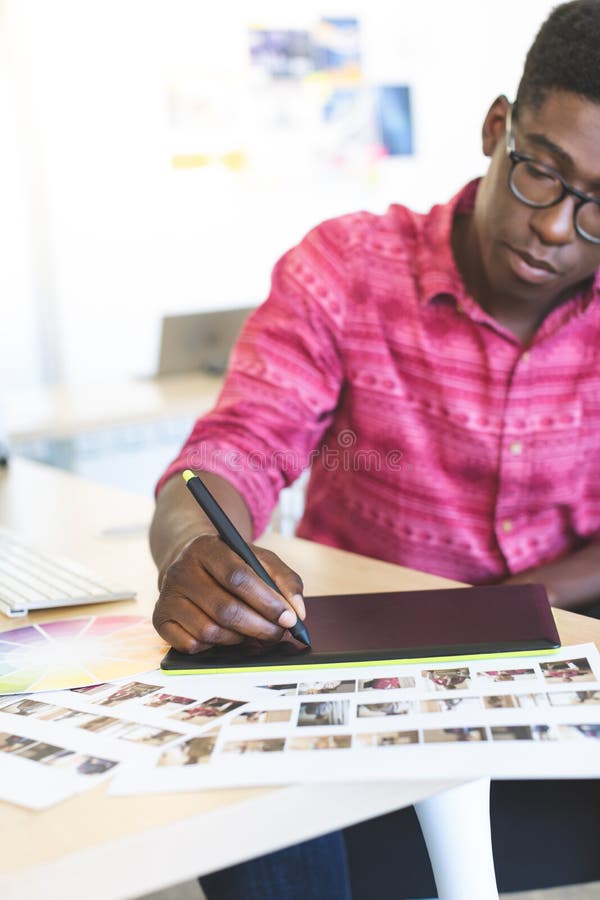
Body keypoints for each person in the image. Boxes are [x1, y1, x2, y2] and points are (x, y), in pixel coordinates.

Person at [149, 2, 600, 897]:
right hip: (364, 718)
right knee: (247, 753)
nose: (556, 227)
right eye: (542, 174)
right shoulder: (346, 270)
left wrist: (506, 608)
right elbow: (230, 454)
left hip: (562, 707)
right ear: (496, 127)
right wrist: (194, 549)